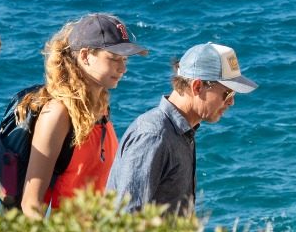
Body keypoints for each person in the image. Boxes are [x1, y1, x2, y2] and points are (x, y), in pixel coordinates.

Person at [14, 13, 147, 220]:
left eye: (124, 59)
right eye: (114, 58)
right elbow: (31, 203)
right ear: (85, 56)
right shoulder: (57, 114)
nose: (122, 69)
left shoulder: (101, 110)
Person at [107, 42, 256, 214]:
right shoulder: (154, 136)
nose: (231, 102)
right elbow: (126, 216)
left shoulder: (180, 132)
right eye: (227, 93)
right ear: (197, 86)